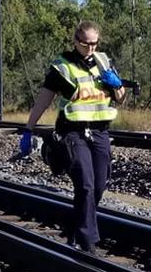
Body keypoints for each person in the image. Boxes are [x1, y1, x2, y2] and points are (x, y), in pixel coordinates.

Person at [20, 20, 126, 253]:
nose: (91, 48)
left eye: (95, 43)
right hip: (72, 132)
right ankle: (88, 242)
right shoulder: (62, 67)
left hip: (99, 132)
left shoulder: (104, 62)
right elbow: (44, 99)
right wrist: (29, 128)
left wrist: (117, 86)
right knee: (85, 185)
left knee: (99, 185)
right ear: (76, 41)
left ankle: (74, 228)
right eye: (86, 43)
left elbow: (119, 97)